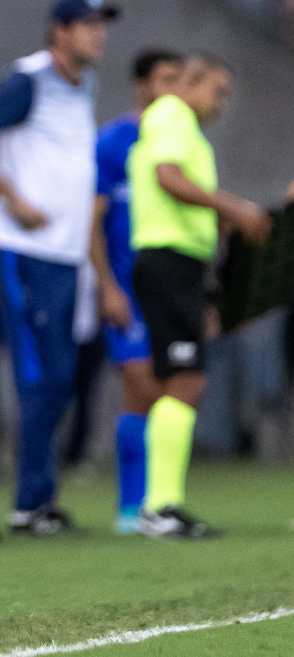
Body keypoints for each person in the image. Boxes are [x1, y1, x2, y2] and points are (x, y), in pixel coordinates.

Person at [0, 0, 117, 535]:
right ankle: (30, 503)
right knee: (39, 374)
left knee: (62, 375)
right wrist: (10, 196)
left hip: (63, 254)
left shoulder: (83, 84)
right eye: (88, 24)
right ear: (59, 31)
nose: (99, 34)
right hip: (24, 251)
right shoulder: (31, 79)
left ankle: (41, 498)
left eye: (101, 24)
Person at [127, 53, 271, 539]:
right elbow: (168, 178)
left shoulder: (189, 131)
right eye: (218, 90)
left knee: (184, 380)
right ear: (191, 80)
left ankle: (160, 504)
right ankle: (158, 506)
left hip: (183, 265)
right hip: (167, 260)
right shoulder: (171, 114)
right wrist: (233, 207)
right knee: (184, 379)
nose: (221, 103)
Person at [88, 48, 183, 533]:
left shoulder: (178, 140)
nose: (173, 90)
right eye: (165, 79)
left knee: (173, 391)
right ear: (140, 86)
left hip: (170, 287)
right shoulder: (113, 143)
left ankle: (161, 500)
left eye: (179, 80)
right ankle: (132, 506)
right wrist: (107, 285)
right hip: (128, 287)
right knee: (141, 386)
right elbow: (93, 221)